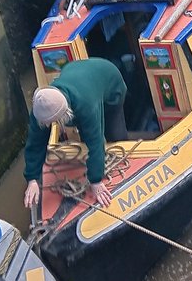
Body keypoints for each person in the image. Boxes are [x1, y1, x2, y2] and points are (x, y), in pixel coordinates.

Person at [23, 57, 128, 209]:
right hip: (76, 74)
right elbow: (35, 142)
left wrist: (96, 181)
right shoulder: (41, 106)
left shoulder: (87, 105)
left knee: (114, 133)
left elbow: (96, 142)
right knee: (85, 132)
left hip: (110, 82)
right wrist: (32, 178)